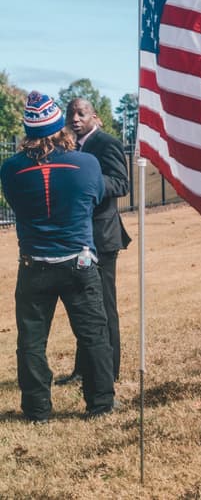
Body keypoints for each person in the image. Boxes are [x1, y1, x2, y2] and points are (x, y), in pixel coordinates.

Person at [0, 91, 116, 421]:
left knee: (32, 342)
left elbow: (16, 203)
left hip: (34, 263)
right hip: (79, 261)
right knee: (94, 334)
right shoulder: (86, 163)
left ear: (27, 132)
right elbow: (94, 198)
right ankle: (101, 403)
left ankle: (37, 409)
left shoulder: (11, 169)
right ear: (59, 127)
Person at [56, 98, 131, 385]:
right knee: (83, 307)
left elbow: (121, 184)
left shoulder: (106, 143)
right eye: (70, 113)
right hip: (75, 237)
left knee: (104, 305)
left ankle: (109, 372)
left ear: (94, 117)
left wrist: (87, 182)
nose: (74, 118)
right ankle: (81, 370)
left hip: (102, 237)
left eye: (81, 113)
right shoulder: (67, 147)